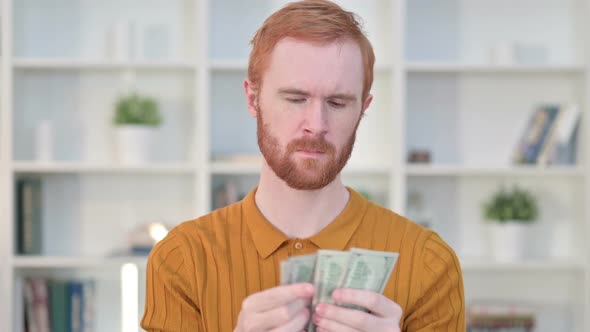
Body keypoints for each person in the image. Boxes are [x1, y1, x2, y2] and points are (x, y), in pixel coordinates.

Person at [141, 0, 465, 331]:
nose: (316, 124)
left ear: (363, 109)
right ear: (253, 99)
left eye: (337, 103)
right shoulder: (181, 260)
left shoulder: (430, 264)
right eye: (296, 99)